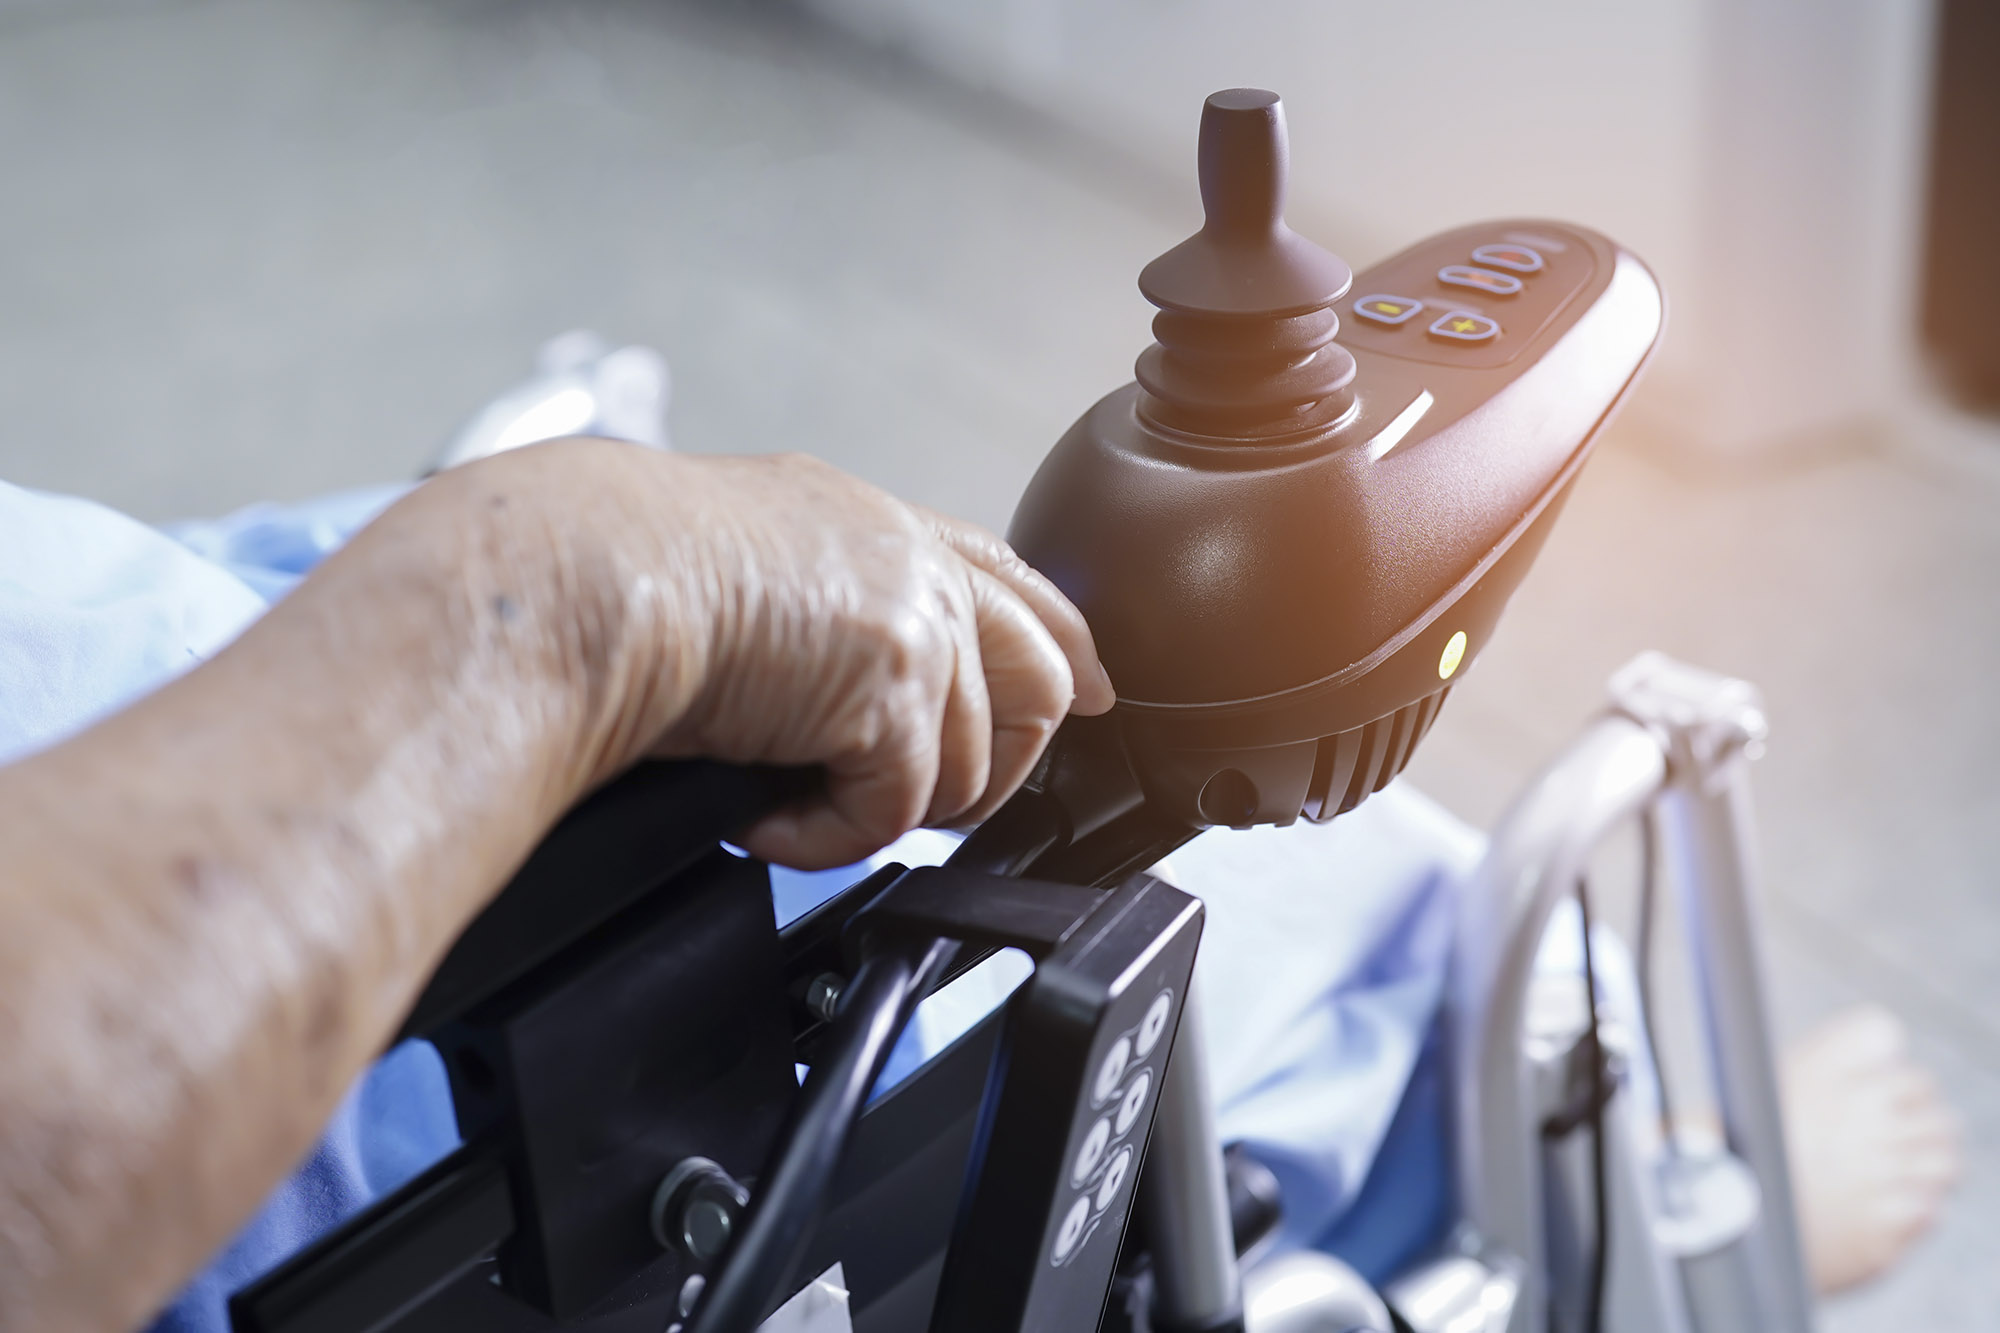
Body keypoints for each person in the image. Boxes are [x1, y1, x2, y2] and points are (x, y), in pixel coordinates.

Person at [0, 349, 1961, 1331]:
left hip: (111, 678)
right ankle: (1660, 1189)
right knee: (1287, 900)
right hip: (272, 1073)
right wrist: (561, 599)